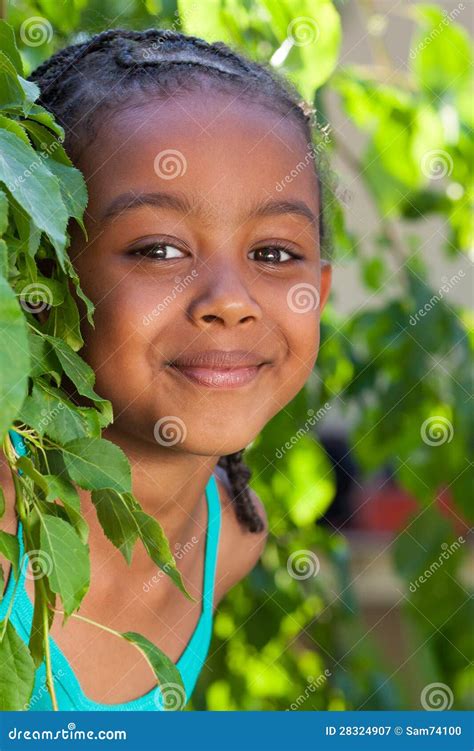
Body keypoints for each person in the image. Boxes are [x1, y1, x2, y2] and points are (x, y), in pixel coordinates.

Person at [0, 27, 332, 711]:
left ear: (320, 293)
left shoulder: (232, 536)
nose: (231, 301)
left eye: (273, 254)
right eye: (158, 249)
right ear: (45, 279)